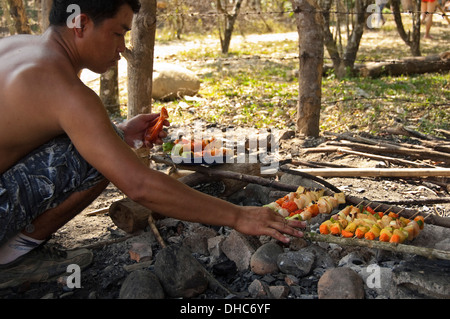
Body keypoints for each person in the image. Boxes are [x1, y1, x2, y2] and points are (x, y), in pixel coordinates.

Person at [0, 0, 305, 289]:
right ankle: (13, 258)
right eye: (118, 32)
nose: (122, 47)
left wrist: (116, 131)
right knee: (106, 152)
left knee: (112, 141)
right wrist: (240, 216)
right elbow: (140, 186)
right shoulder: (64, 88)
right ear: (80, 23)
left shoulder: (18, 46)